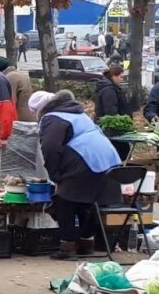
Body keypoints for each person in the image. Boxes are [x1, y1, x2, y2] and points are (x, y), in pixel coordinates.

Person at [28, 90, 122, 260]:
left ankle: (67, 247)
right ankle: (86, 243)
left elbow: (50, 149)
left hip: (84, 160)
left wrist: (55, 177)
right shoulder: (78, 113)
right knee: (86, 202)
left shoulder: (52, 118)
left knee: (64, 201)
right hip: (107, 159)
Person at [0, 56, 36, 122]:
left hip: (21, 118)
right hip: (28, 114)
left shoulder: (10, 77)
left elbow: (10, 101)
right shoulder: (18, 74)